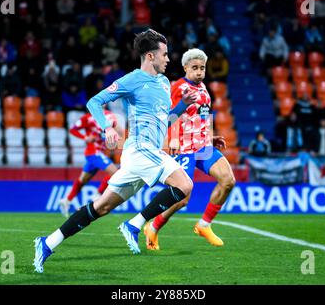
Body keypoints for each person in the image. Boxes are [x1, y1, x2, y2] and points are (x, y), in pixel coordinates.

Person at [33, 29, 198, 273]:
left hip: (145, 154)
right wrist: (106, 128)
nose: (168, 59)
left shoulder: (164, 83)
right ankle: (135, 224)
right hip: (141, 150)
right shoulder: (132, 80)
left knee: (102, 207)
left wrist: (183, 105)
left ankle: (47, 242)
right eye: (164, 54)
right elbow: (94, 102)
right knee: (185, 187)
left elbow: (166, 120)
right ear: (150, 56)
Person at [141, 48, 236, 250]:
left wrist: (210, 137)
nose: (200, 71)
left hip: (202, 146)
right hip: (184, 147)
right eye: (195, 68)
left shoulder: (204, 89)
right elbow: (171, 115)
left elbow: (200, 118)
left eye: (202, 68)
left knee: (228, 180)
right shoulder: (179, 87)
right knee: (182, 198)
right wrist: (172, 138)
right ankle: (154, 227)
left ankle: (204, 225)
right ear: (185, 68)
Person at [58, 109, 121, 218]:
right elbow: (73, 129)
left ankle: (66, 201)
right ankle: (98, 194)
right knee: (116, 173)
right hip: (94, 152)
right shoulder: (87, 118)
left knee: (83, 180)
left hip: (100, 153)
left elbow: (116, 130)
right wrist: (85, 138)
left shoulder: (109, 116)